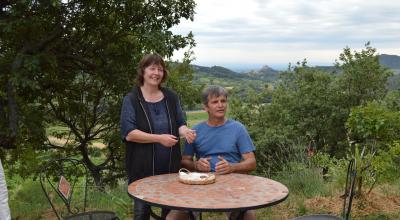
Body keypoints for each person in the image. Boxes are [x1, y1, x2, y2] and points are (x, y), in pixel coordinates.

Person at [120, 53, 196, 220]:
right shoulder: (131, 99)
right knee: (141, 213)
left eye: (160, 69)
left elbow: (180, 123)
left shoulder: (171, 96)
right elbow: (129, 134)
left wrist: (185, 131)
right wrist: (159, 138)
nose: (156, 73)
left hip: (170, 167)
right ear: (143, 71)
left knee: (170, 211)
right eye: (152, 68)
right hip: (141, 168)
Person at [167, 85, 257, 220]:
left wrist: (232, 167)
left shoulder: (238, 129)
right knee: (173, 217)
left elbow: (252, 163)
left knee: (248, 216)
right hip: (202, 183)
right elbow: (184, 162)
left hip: (233, 184)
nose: (220, 105)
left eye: (223, 101)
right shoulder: (195, 131)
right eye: (215, 102)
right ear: (205, 107)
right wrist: (197, 165)